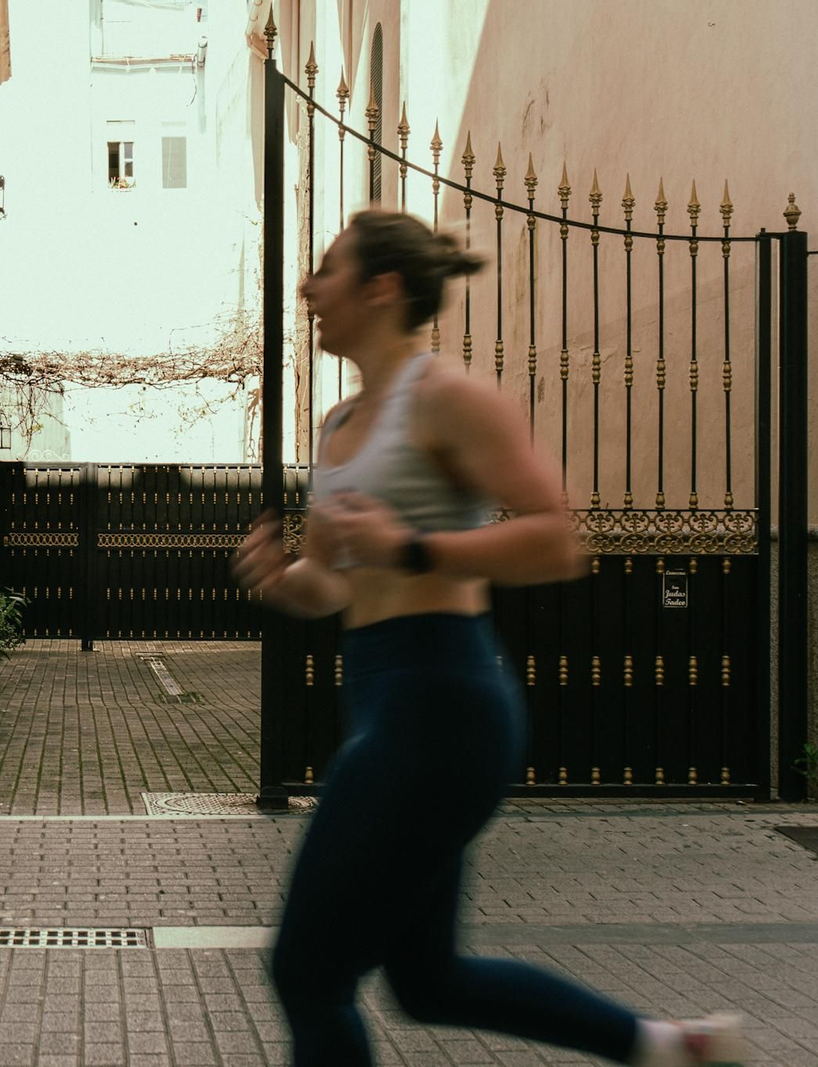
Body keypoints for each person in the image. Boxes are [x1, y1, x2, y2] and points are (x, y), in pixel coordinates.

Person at [232, 209, 747, 1067]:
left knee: (307, 971)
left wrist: (413, 545)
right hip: (385, 696)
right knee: (428, 979)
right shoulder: (339, 423)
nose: (308, 287)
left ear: (382, 288)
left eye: (326, 269)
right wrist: (279, 578)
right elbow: (331, 581)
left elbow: (557, 536)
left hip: (443, 702)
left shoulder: (451, 399)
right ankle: (669, 1048)